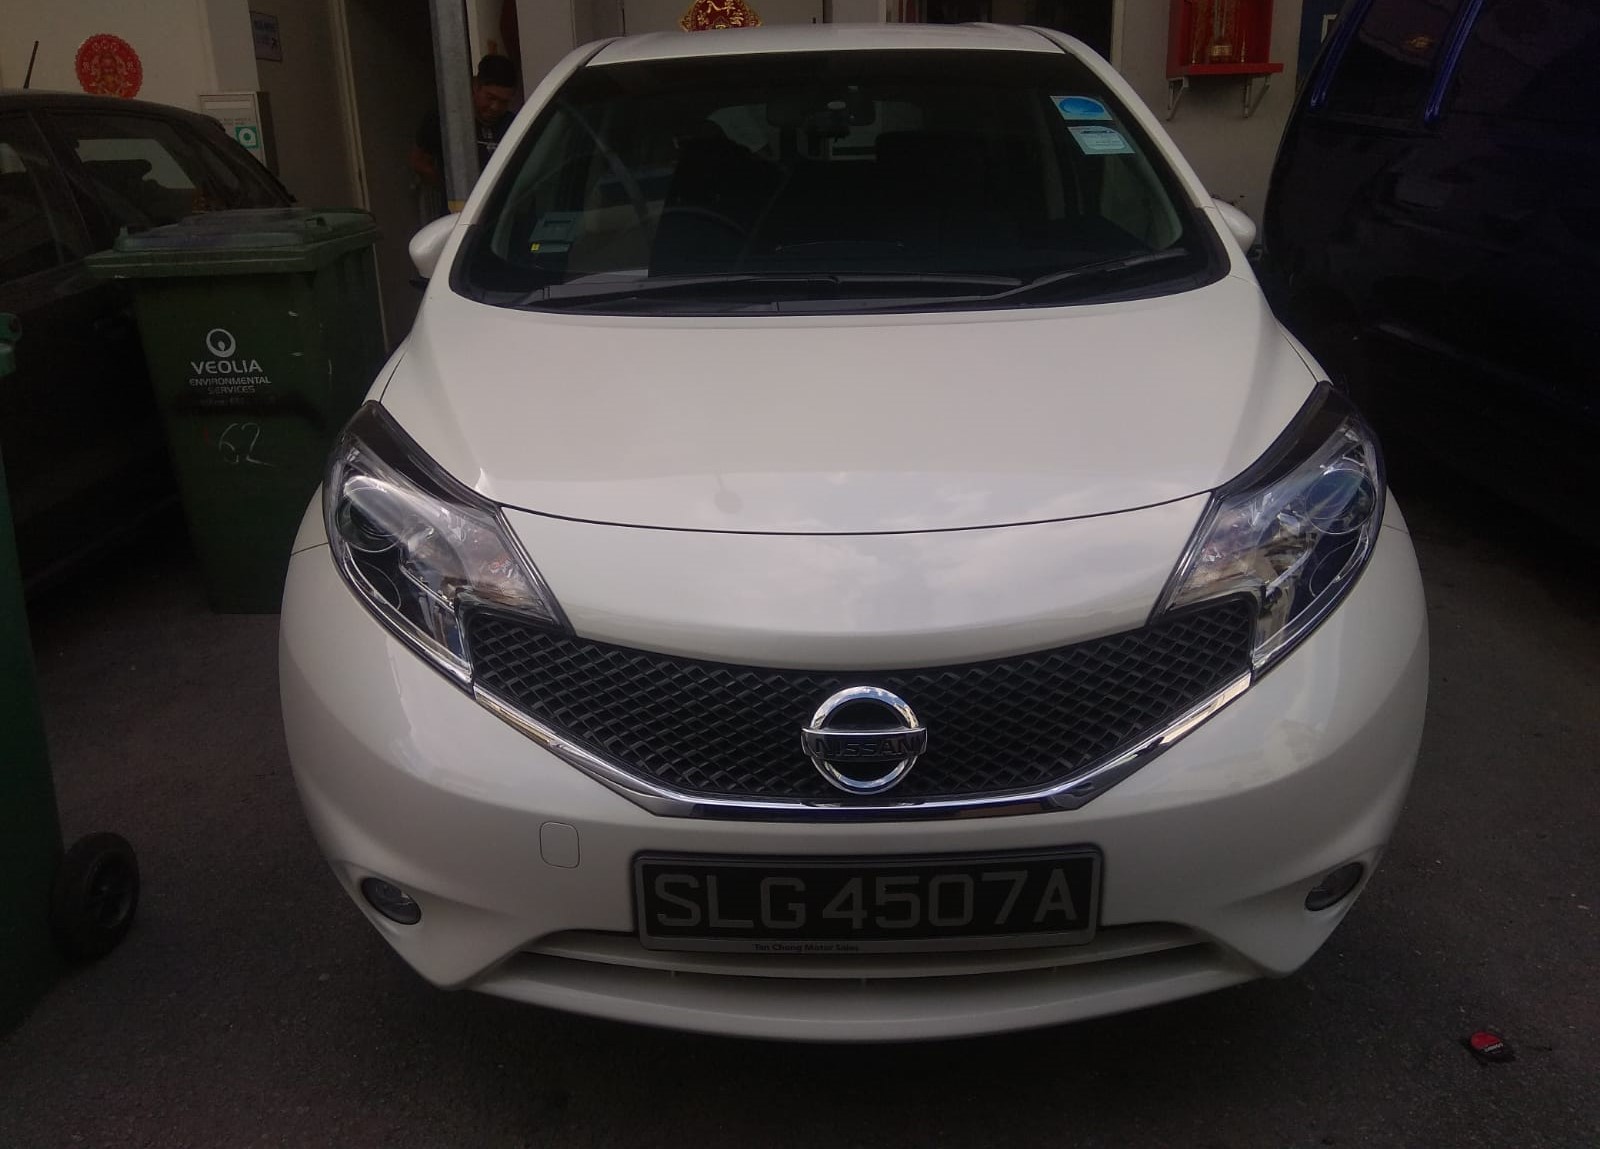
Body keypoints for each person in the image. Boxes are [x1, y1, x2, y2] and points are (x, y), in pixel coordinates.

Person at [411, 54, 519, 191]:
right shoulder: (447, 119)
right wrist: (448, 188)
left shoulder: (514, 125)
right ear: (476, 86)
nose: (495, 107)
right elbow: (419, 161)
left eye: (504, 102)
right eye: (490, 98)